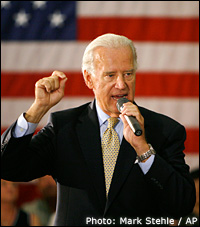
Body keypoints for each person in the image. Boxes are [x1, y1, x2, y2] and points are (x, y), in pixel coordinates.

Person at [1, 33, 196, 226]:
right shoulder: (65, 127)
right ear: (89, 79)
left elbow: (182, 205)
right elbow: (9, 167)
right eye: (110, 75)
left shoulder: (165, 131)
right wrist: (37, 110)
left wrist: (143, 150)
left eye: (128, 74)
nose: (121, 84)